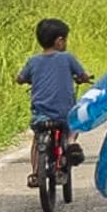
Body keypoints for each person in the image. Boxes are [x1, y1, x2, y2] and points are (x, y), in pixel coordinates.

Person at [18, 18, 91, 188]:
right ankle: (71, 143)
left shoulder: (33, 61)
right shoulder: (67, 58)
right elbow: (82, 75)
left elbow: (21, 78)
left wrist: (23, 80)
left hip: (41, 116)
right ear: (59, 41)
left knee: (37, 140)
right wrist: (84, 78)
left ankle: (36, 173)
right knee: (75, 123)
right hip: (64, 114)